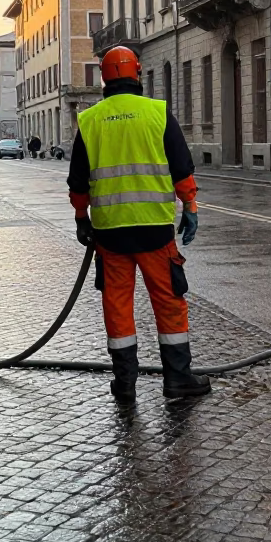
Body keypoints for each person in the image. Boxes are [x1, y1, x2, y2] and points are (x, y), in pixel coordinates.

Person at [68, 45, 208, 407]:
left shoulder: (90, 120)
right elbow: (182, 168)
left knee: (117, 305)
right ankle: (178, 379)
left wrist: (82, 218)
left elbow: (78, 182)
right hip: (155, 232)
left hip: (111, 234)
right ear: (138, 72)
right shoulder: (158, 114)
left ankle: (125, 384)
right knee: (169, 302)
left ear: (103, 78)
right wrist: (189, 206)